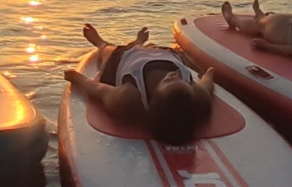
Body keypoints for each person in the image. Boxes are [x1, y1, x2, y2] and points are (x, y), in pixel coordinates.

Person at [63, 24, 216, 147]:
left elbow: (98, 89)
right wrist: (209, 73)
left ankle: (100, 42)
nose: (175, 74)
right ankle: (139, 43)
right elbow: (206, 84)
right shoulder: (196, 95)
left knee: (108, 50)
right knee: (155, 48)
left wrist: (78, 78)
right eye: (183, 81)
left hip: (125, 59)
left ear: (152, 101)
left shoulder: (128, 98)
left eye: (168, 80)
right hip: (165, 54)